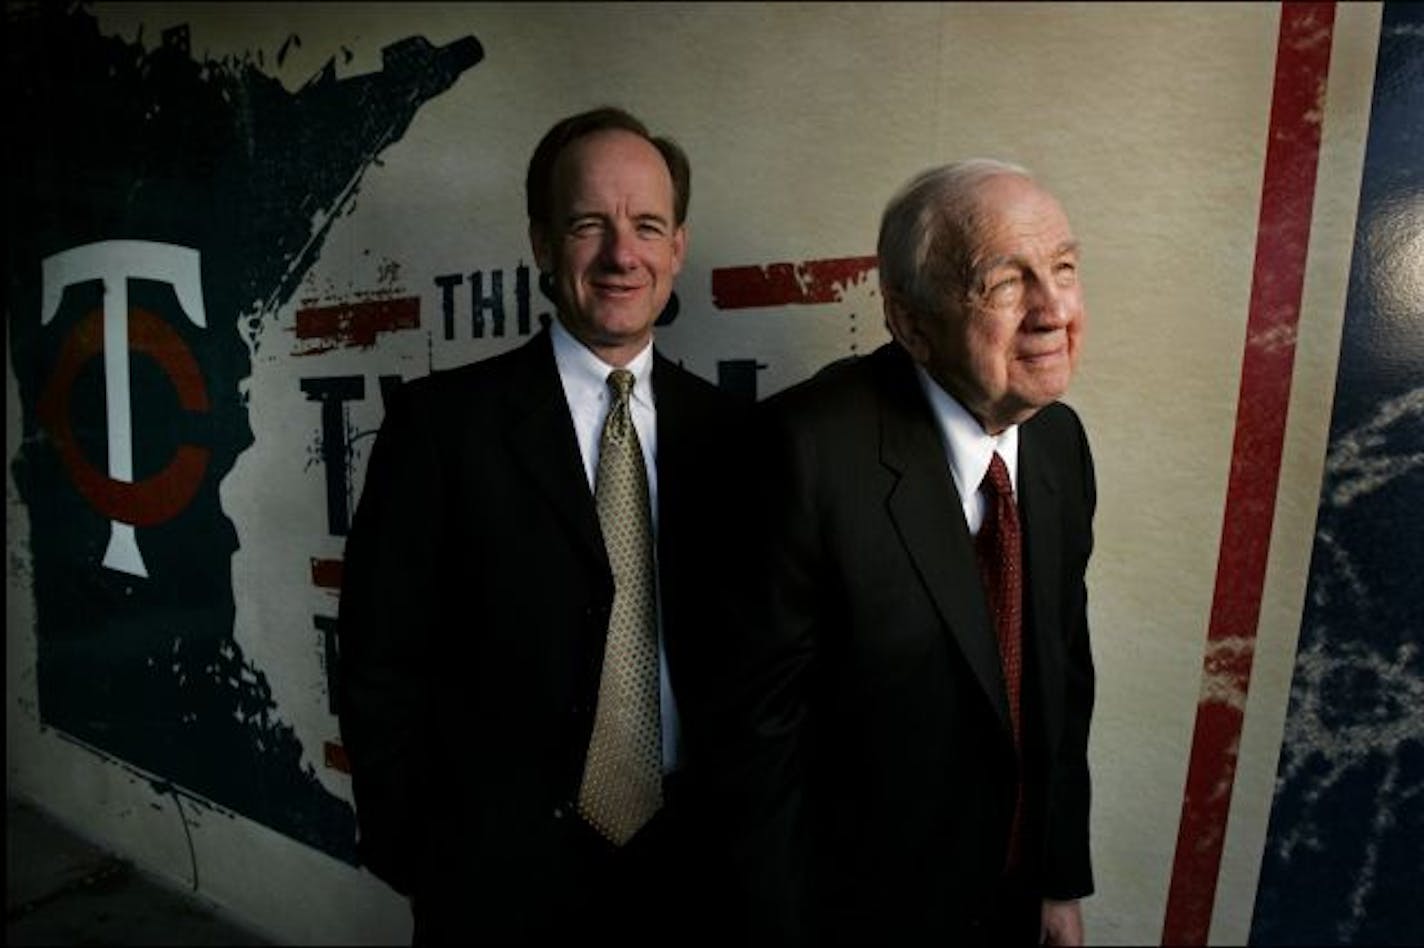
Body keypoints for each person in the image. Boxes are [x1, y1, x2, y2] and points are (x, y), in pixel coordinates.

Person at [336, 106, 744, 944]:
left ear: (678, 249)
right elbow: (380, 657)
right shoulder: (438, 427)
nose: (621, 254)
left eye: (647, 226)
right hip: (495, 882)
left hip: (694, 871)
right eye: (589, 223)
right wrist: (420, 851)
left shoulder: (736, 436)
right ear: (541, 243)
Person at [734, 159, 1096, 945]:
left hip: (1010, 903)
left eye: (1063, 268)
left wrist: (1056, 877)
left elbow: (1062, 674)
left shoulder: (1060, 443)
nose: (1052, 309)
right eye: (1006, 282)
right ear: (910, 323)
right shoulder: (804, 453)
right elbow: (760, 751)